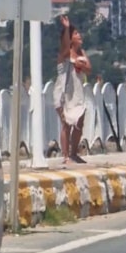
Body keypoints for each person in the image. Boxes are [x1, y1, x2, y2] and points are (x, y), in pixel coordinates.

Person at [53, 15, 91, 164]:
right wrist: (67, 28)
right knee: (66, 124)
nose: (79, 35)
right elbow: (65, 44)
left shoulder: (81, 53)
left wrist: (82, 65)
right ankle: (65, 155)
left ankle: (74, 152)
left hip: (77, 94)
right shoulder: (64, 55)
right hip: (63, 93)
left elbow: (89, 69)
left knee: (79, 122)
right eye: (76, 34)